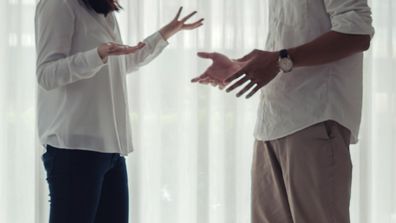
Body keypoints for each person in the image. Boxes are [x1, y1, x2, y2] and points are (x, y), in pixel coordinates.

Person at [192, 0, 374, 222]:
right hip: (271, 123)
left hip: (313, 119)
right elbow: (290, 42)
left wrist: (280, 60)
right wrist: (241, 68)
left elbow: (357, 32)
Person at [35, 0, 203, 222]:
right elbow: (47, 74)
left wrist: (165, 33)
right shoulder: (58, 4)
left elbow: (122, 63)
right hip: (74, 149)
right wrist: (98, 54)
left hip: (111, 150)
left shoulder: (103, 10)